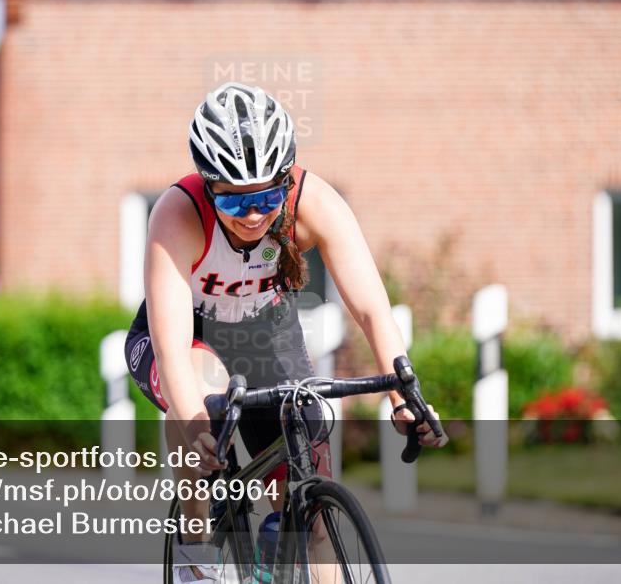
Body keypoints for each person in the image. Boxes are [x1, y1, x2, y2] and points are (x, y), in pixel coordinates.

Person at [125, 82, 445, 582]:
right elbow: (170, 348)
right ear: (209, 187)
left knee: (309, 493)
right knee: (201, 398)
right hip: (189, 333)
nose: (253, 216)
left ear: (285, 180)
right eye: (234, 204)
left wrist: (402, 391)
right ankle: (196, 548)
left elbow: (371, 307)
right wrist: (194, 426)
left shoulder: (314, 201)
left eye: (267, 197)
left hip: (264, 331)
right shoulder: (177, 212)